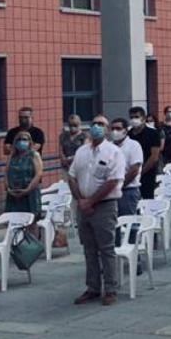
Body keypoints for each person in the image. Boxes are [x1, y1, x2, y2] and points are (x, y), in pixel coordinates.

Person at [68, 114, 126, 306]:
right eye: (94, 124)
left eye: (101, 124)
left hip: (104, 206)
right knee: (89, 249)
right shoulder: (82, 151)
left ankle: (110, 288)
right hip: (83, 206)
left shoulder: (114, 152)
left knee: (106, 248)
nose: (96, 127)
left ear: (107, 129)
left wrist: (92, 200)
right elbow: (72, 177)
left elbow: (113, 181)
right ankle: (92, 287)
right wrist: (81, 201)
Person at [3, 130, 44, 233]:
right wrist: (8, 188)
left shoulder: (34, 155)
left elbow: (38, 174)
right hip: (13, 194)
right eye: (19, 139)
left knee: (31, 223)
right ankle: (16, 246)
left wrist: (27, 189)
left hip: (30, 194)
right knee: (15, 224)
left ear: (30, 142)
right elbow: (6, 172)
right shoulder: (12, 156)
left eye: (24, 139)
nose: (22, 142)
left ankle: (32, 246)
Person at [110, 118, 145, 220]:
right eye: (112, 128)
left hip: (128, 190)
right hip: (111, 191)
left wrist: (120, 185)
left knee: (129, 223)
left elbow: (134, 169)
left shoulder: (133, 145)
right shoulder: (109, 146)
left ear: (125, 130)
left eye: (118, 128)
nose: (114, 131)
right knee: (113, 223)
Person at [128, 106, 162, 199]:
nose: (134, 119)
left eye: (136, 117)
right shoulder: (128, 134)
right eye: (131, 117)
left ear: (143, 118)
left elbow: (154, 157)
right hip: (130, 175)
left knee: (147, 199)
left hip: (147, 173)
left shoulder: (152, 134)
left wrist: (141, 172)